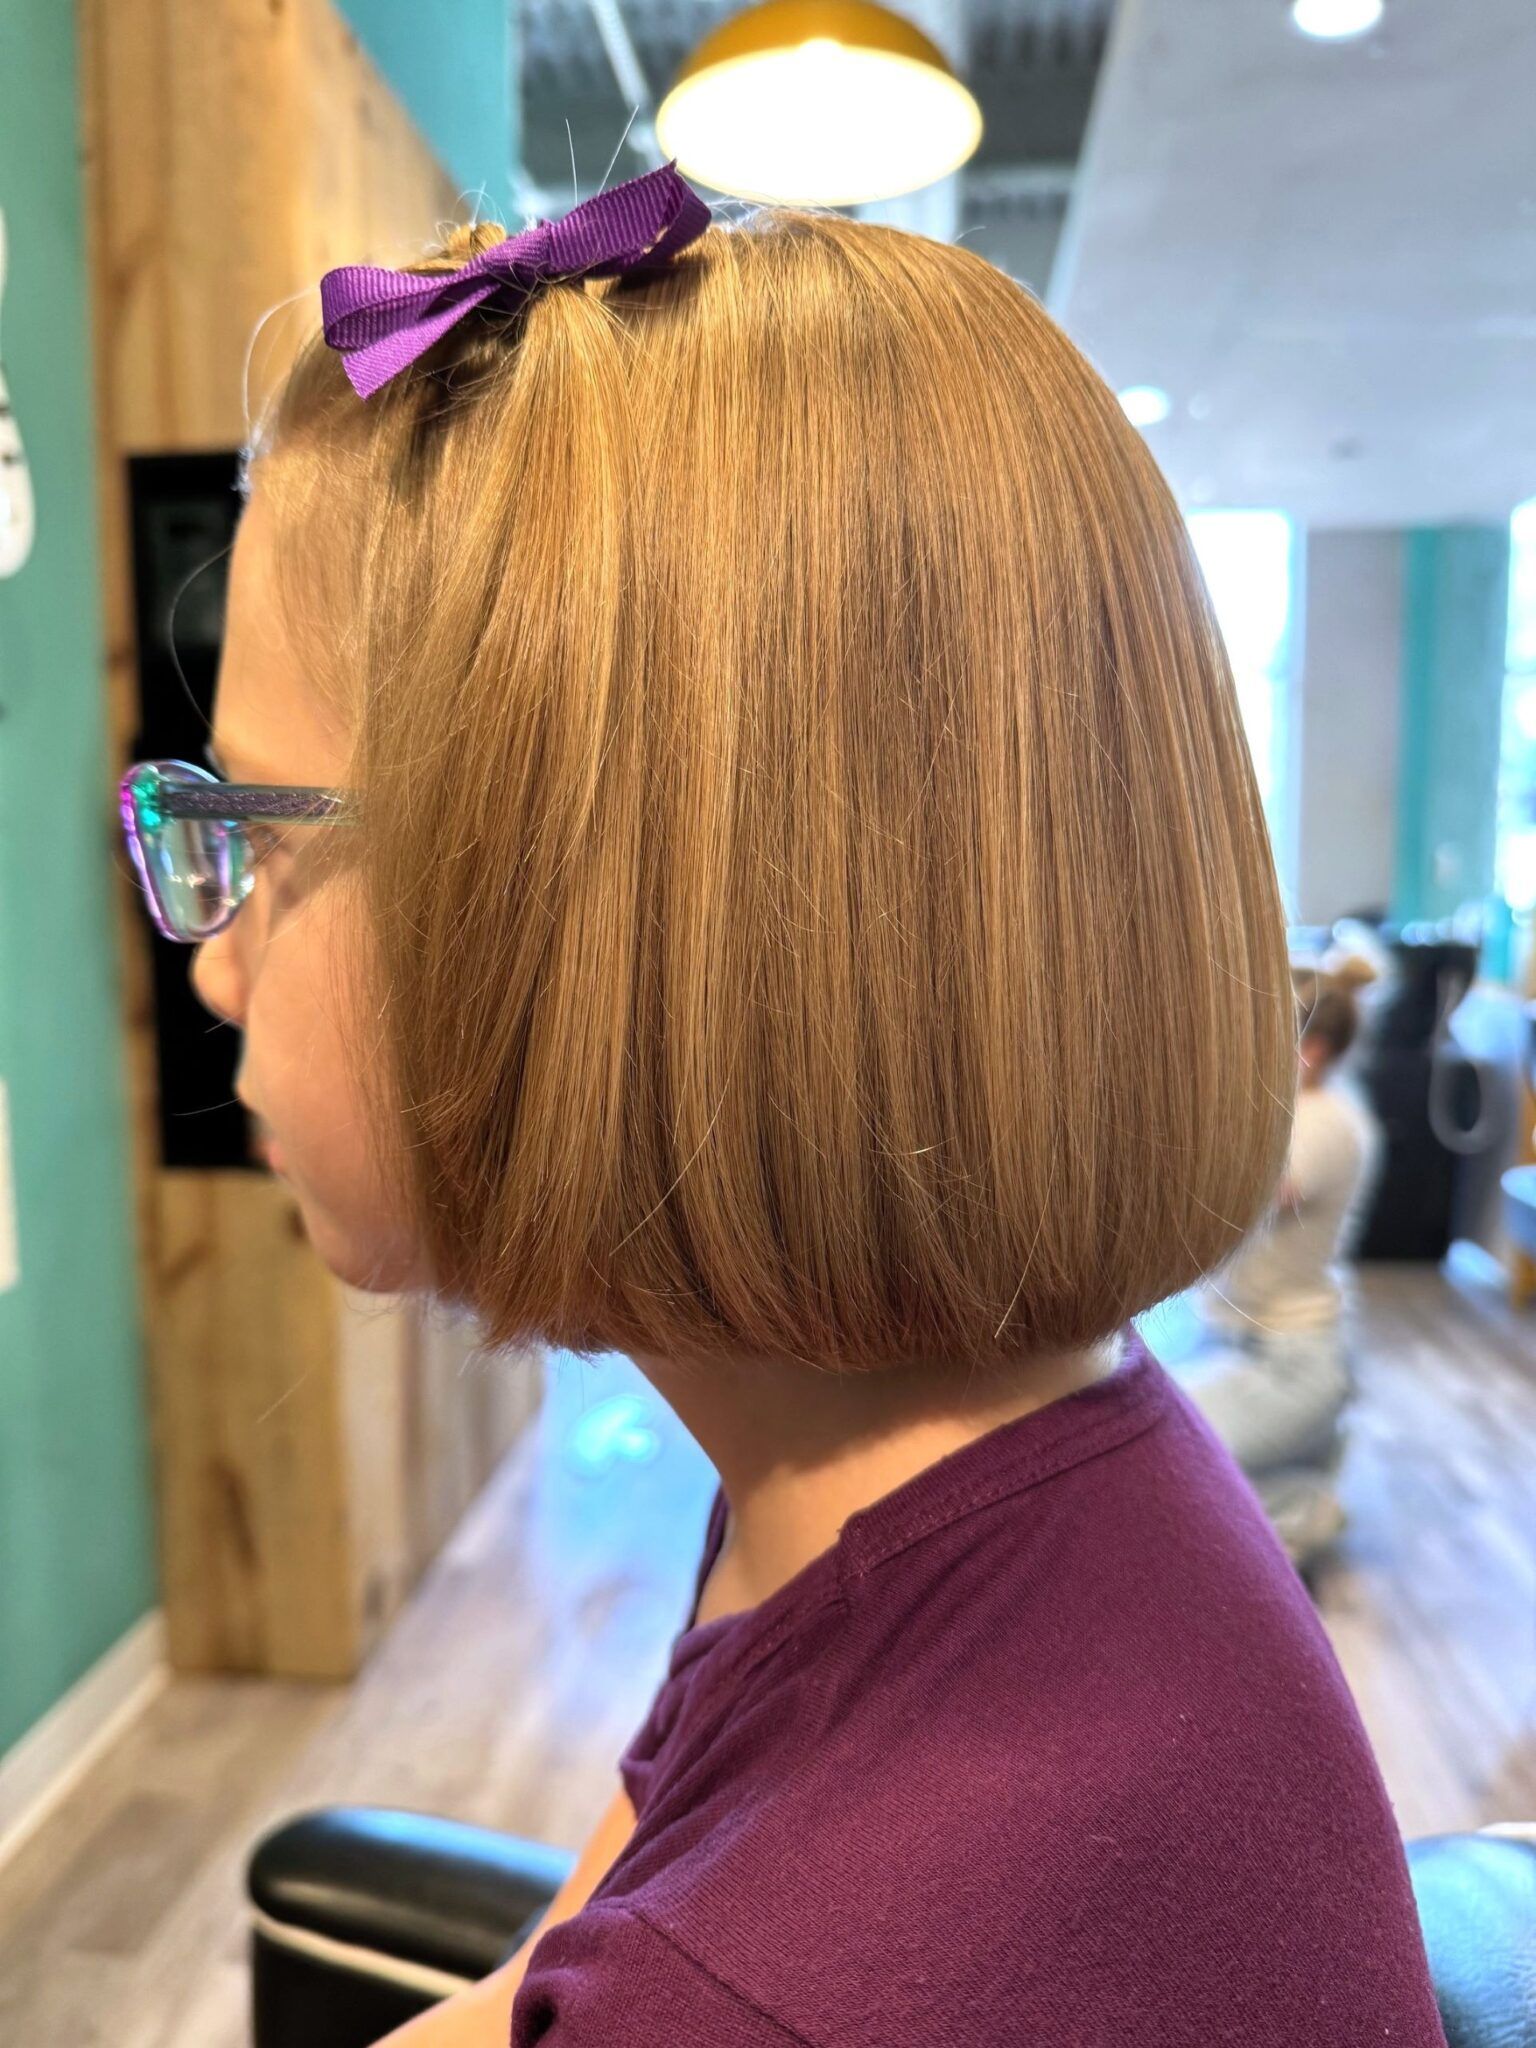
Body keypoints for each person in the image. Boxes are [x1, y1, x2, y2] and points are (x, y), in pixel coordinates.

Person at [119, 167, 1443, 2044]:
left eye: (246, 827)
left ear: (593, 913)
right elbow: (615, 1879)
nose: (213, 954)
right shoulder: (957, 1472)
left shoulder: (764, 1989)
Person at [1183, 958, 1381, 1569]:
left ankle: (1301, 1501)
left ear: (1310, 1051)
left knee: (1173, 1473)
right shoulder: (1295, 1112)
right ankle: (1299, 1459)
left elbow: (1239, 1197)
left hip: (1294, 1367)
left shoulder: (1324, 1125)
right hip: (1253, 1349)